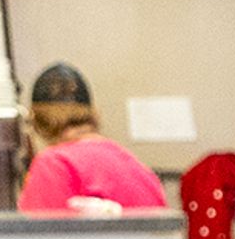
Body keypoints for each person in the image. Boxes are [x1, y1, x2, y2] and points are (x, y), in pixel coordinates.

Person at [16, 62, 172, 215]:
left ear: (37, 120)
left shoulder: (54, 164)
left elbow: (38, 238)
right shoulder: (136, 167)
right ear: (93, 113)